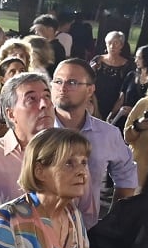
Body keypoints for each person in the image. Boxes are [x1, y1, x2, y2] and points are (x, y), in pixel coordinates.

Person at [50, 60, 138, 228]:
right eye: (58, 81)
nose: (63, 88)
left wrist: (114, 221)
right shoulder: (37, 131)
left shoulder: (107, 134)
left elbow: (126, 177)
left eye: (72, 82)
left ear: (90, 90)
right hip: (37, 231)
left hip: (86, 233)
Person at [90, 31, 136, 120]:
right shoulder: (98, 60)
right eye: (109, 43)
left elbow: (124, 91)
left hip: (115, 103)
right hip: (95, 101)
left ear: (121, 45)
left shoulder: (128, 66)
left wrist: (113, 112)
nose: (112, 46)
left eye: (116, 43)